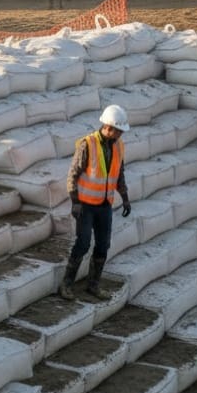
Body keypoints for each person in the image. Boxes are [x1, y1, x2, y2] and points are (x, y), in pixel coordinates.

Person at [59, 104, 132, 301]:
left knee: (103, 245)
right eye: (119, 131)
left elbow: (119, 174)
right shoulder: (88, 144)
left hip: (105, 204)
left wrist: (124, 198)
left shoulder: (118, 146)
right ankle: (66, 285)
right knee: (82, 244)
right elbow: (73, 175)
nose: (120, 135)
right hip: (85, 205)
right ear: (108, 127)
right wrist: (75, 202)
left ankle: (93, 285)